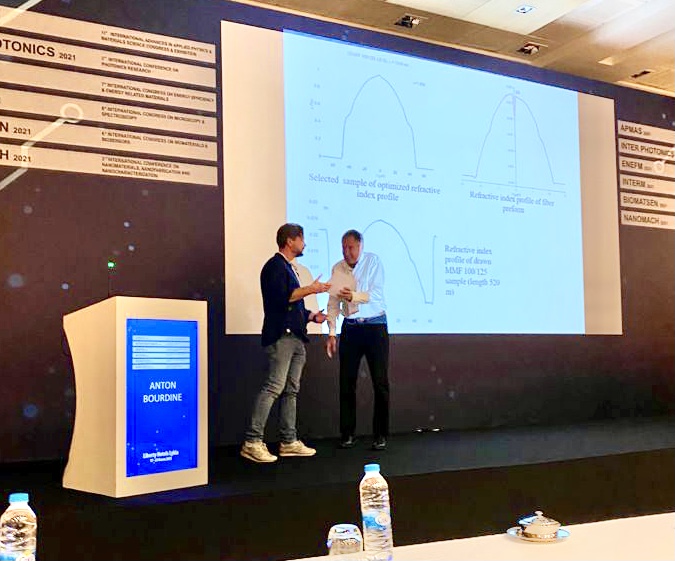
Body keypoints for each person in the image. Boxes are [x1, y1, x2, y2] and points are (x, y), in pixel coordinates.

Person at [241, 223, 331, 463]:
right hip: (282, 337)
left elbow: (293, 306)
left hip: (296, 337)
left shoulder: (289, 269)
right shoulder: (275, 267)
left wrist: (312, 317)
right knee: (274, 386)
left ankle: (289, 441)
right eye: (301, 239)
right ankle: (252, 441)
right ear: (290, 241)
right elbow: (283, 298)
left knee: (291, 390)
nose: (304, 244)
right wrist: (311, 289)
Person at [326, 229, 390, 451]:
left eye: (351, 247)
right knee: (346, 382)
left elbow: (376, 294)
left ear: (361, 245)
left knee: (380, 382)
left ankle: (380, 435)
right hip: (351, 328)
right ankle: (347, 434)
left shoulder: (373, 262)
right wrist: (332, 332)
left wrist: (353, 296)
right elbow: (333, 303)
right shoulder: (338, 268)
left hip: (375, 326)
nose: (347, 252)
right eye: (343, 247)